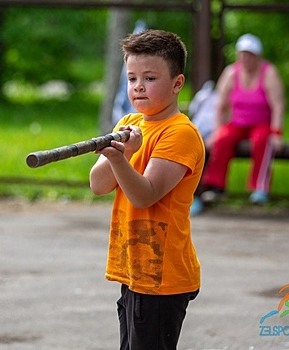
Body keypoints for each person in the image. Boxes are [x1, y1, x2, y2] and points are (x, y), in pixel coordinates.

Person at [89, 29, 204, 350]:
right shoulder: (130, 122)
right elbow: (98, 185)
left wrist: (122, 156)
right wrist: (120, 153)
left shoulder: (180, 133)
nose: (138, 86)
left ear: (177, 84)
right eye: (132, 78)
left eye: (150, 78)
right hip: (134, 268)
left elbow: (145, 194)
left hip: (163, 277)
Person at [200, 33, 285, 205]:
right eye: (243, 54)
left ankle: (260, 188)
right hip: (237, 123)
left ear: (257, 56)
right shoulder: (231, 73)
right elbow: (220, 104)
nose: (246, 58)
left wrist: (277, 132)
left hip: (261, 123)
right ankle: (216, 186)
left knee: (263, 140)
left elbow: (278, 105)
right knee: (222, 139)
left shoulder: (269, 73)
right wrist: (217, 130)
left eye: (250, 55)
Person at [188, 80, 218, 215]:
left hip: (217, 133)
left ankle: (207, 191)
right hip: (200, 132)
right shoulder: (203, 97)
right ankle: (193, 195)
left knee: (205, 151)